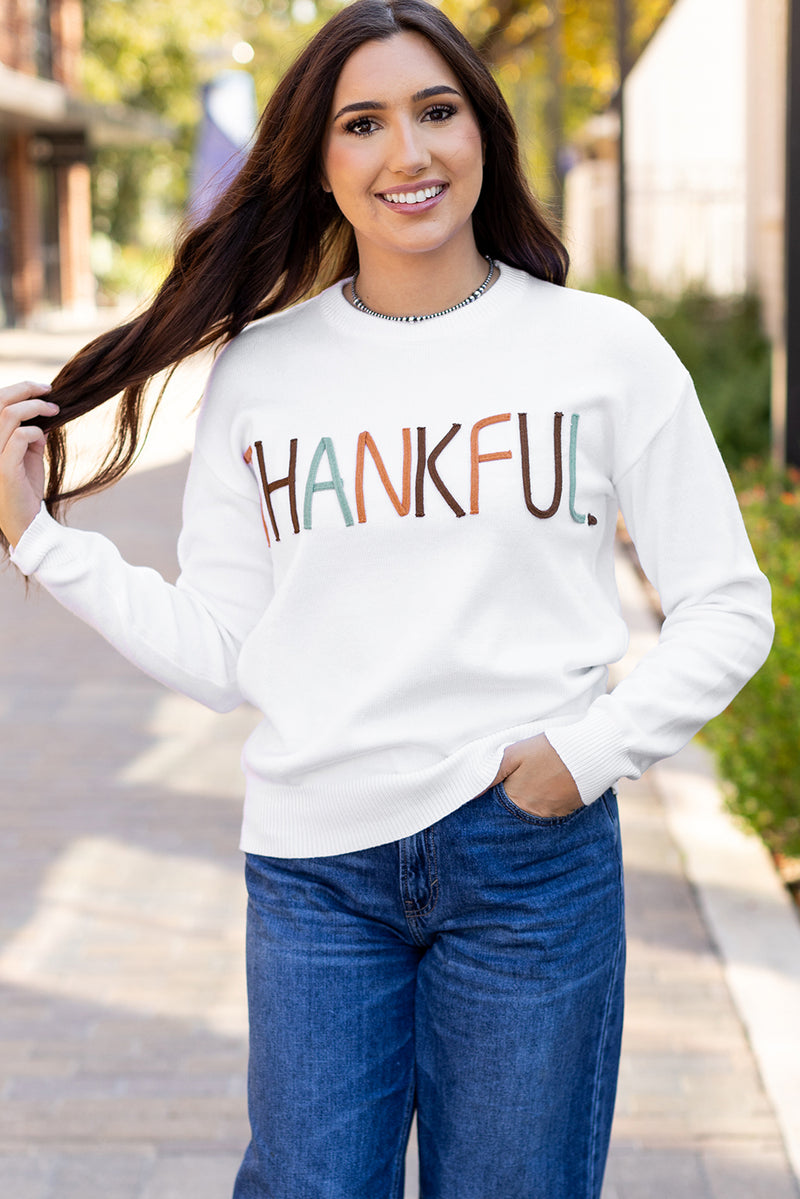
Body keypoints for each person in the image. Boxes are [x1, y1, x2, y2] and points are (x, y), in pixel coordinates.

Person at [0, 1, 774, 1195]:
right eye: (362, 123)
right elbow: (221, 650)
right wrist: (40, 539)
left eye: (436, 111)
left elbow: (728, 604)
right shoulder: (262, 372)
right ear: (318, 160)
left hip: (527, 852)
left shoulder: (600, 350)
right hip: (317, 870)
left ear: (482, 132)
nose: (406, 154)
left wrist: (589, 749)